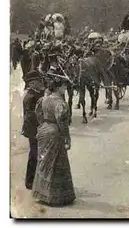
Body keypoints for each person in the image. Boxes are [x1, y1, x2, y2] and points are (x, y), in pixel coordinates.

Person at [32, 68, 75, 206]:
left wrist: (44, 125)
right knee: (57, 162)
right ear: (60, 87)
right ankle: (56, 196)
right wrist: (67, 138)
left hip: (44, 130)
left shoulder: (43, 100)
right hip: (54, 133)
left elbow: (38, 115)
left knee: (44, 161)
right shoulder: (60, 103)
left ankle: (41, 193)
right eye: (64, 86)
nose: (65, 89)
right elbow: (63, 124)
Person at [21, 70, 45, 190]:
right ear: (31, 84)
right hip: (33, 130)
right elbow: (31, 116)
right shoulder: (30, 97)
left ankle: (36, 178)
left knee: (38, 154)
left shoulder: (37, 93)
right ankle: (29, 181)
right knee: (34, 154)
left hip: (36, 128)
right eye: (37, 81)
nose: (40, 82)